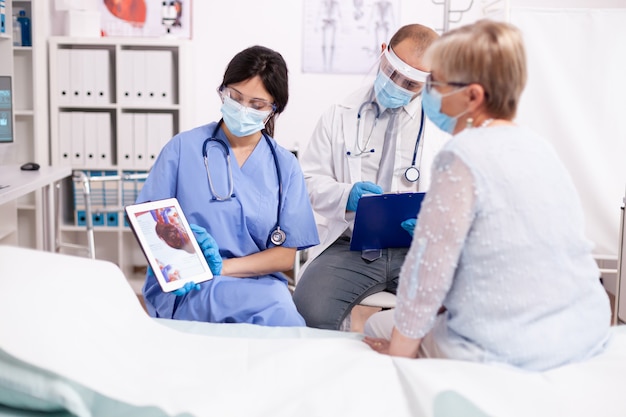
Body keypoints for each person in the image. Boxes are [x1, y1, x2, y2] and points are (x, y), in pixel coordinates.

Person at [362, 19, 612, 371]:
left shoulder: (461, 156)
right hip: (584, 326)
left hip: (508, 342)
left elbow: (426, 276)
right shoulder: (540, 147)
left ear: (473, 96)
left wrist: (399, 356)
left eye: (436, 83)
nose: (427, 92)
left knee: (376, 326)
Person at [137, 45, 320, 326]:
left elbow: (285, 256)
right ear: (223, 91)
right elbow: (148, 222)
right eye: (235, 97)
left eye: (257, 105)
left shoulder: (285, 166)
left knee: (285, 320)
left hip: (259, 283)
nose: (243, 109)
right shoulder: (183, 148)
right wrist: (185, 258)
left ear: (273, 109)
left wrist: (222, 267)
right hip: (190, 279)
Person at [293, 23, 449, 330]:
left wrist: (436, 223)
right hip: (352, 247)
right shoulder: (339, 115)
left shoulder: (443, 127)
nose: (398, 85)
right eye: (393, 73)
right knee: (308, 311)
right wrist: (346, 195)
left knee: (456, 314)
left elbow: (464, 197)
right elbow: (308, 181)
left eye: (411, 84)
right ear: (382, 54)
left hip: (420, 250)